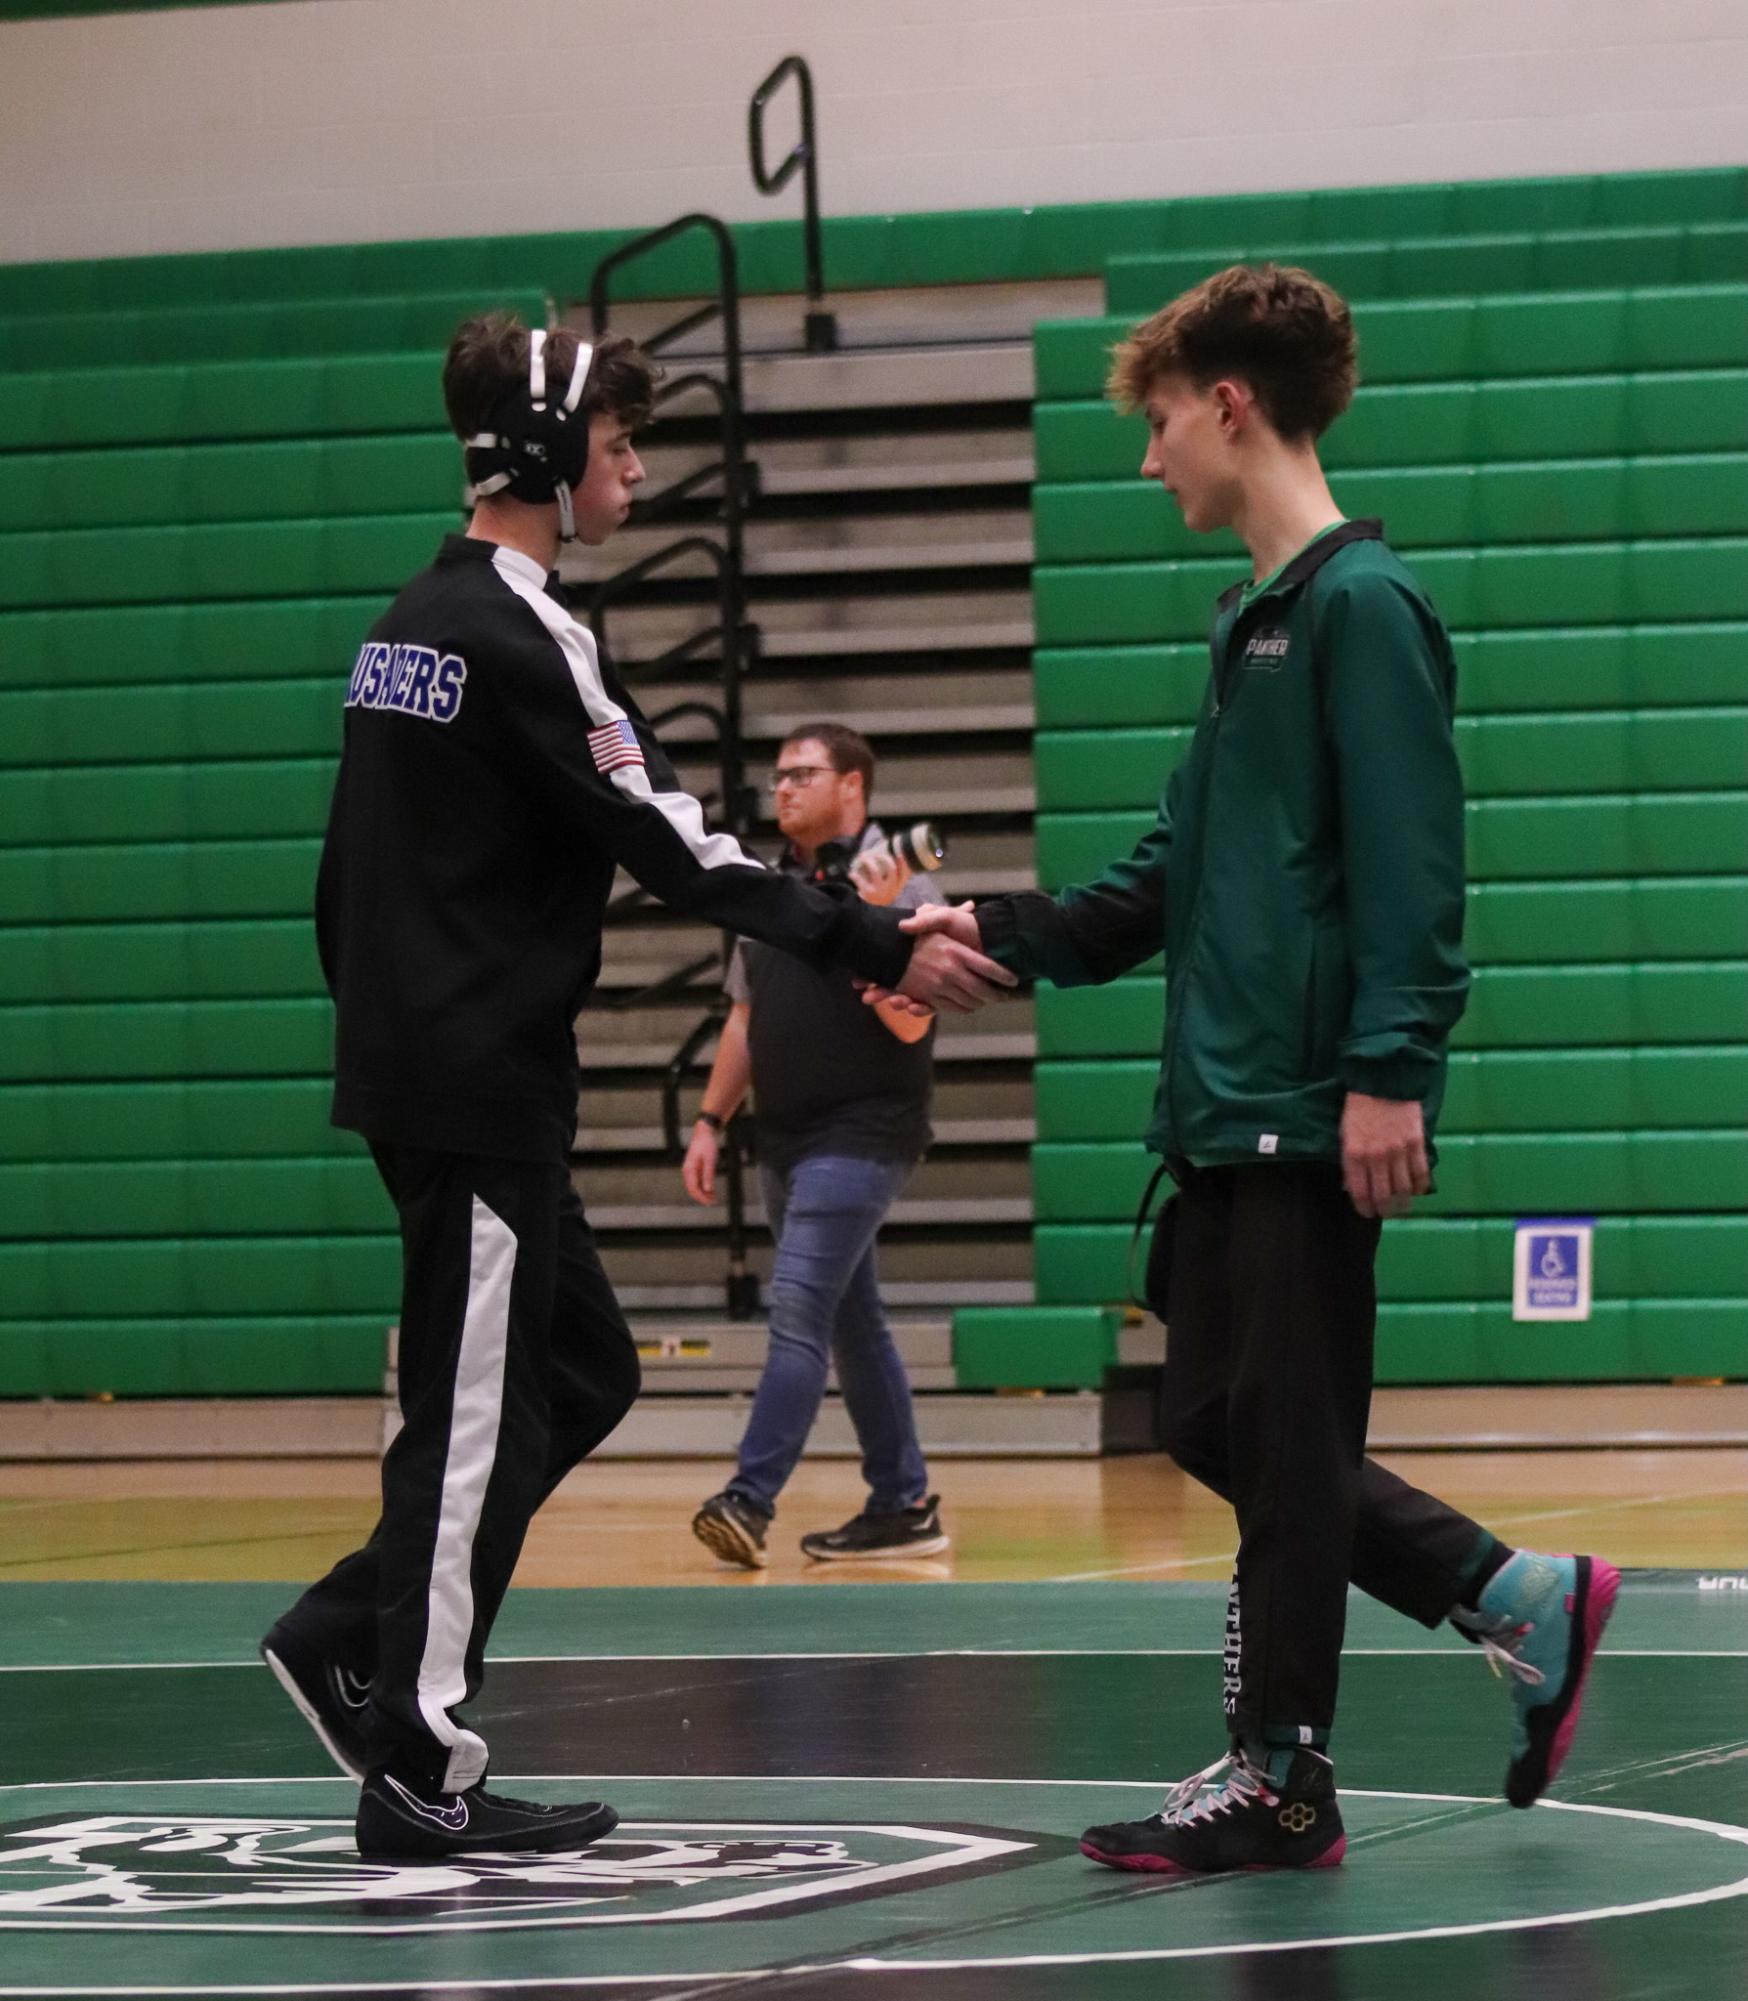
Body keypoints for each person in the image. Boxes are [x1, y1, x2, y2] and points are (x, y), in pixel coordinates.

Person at [887, 265, 1619, 1875]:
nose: (1149, 461)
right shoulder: (1253, 629)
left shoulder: (1365, 608)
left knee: (1279, 1447)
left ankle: (1282, 1774)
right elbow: (1172, 871)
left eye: (1157, 423)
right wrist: (1003, 933)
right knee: (1220, 1425)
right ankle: (1516, 1596)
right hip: (1223, 1116)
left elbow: (1417, 870)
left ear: (1228, 405)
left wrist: (1388, 1073)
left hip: (1305, 1113)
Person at [257, 311, 1014, 1863]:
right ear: (546, 459)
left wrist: (401, 1038)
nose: (641, 469)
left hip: (441, 1074)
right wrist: (875, 929)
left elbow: (341, 880)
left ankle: (347, 1631)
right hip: (475, 1085)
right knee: (469, 1429)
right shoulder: (525, 633)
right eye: (620, 447)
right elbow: (678, 846)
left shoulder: (411, 622)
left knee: (582, 1375)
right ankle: (419, 1764)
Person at [684, 724, 950, 1570]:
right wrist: (710, 1119)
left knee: (798, 1306)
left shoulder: (903, 881)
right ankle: (903, 1502)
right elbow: (744, 1017)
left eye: (805, 773)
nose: (784, 788)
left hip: (864, 1132)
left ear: (854, 787)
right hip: (784, 1138)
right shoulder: (768, 891)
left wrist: (879, 939)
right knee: (852, 1319)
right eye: (779, 775)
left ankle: (748, 1498)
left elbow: (919, 1015)